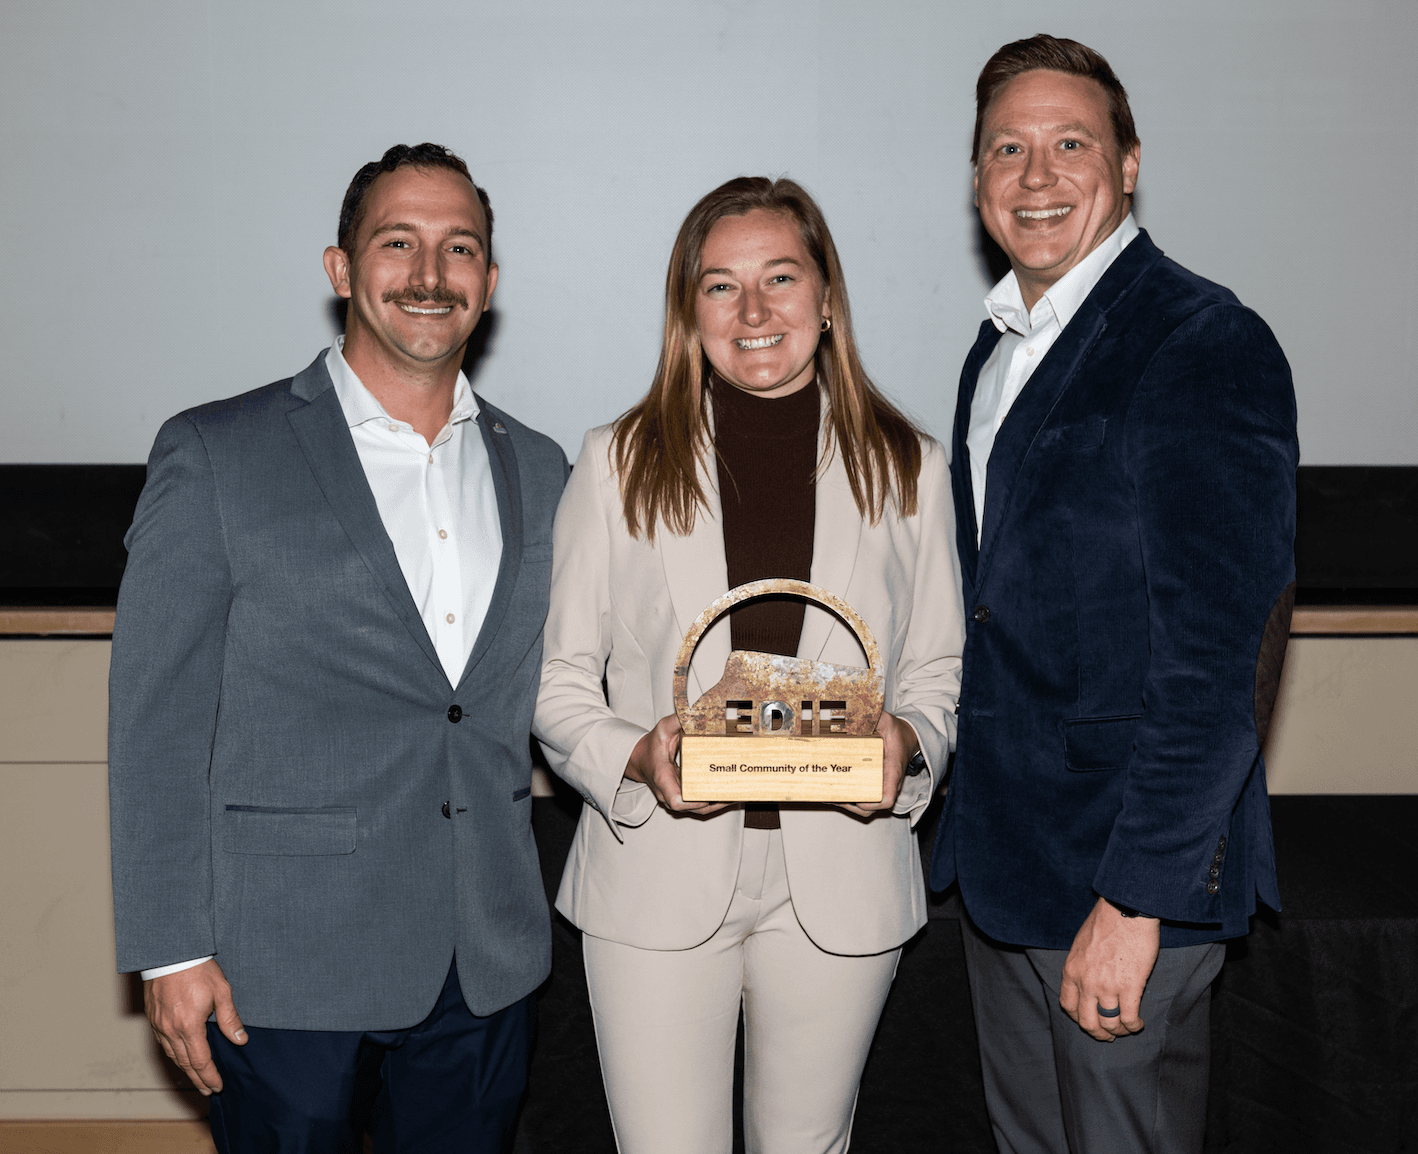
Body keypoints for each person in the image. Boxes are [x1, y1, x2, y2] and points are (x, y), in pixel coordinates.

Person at [108, 143, 568, 1153]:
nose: (427, 273)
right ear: (340, 268)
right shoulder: (218, 452)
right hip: (280, 962)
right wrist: (168, 948)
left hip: (482, 958)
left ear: (487, 284)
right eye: (396, 242)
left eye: (458, 249)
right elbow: (156, 725)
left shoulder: (539, 467)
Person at [533, 176, 964, 1153]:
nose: (754, 309)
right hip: (656, 873)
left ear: (825, 296)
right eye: (721, 285)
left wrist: (911, 743)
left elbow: (937, 667)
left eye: (779, 277)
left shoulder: (909, 466)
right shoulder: (615, 461)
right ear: (690, 308)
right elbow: (559, 685)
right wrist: (636, 754)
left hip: (842, 874)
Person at [928, 34, 1299, 1154]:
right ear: (978, 178)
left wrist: (1137, 900)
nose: (1035, 176)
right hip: (1010, 869)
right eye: (1007, 148)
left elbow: (1217, 657)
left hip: (1123, 885)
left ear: (1128, 162)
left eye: (1069, 144)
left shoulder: (1200, 339)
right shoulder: (995, 351)